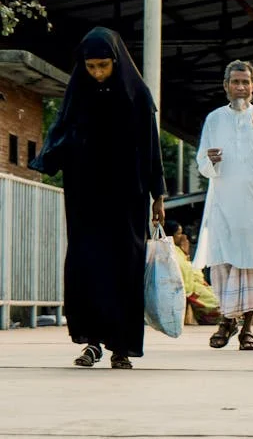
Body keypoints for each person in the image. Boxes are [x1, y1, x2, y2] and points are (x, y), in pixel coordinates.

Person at [29, 27, 166, 369]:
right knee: (87, 265)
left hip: (127, 198)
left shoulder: (136, 95)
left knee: (125, 267)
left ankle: (122, 347)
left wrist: (158, 195)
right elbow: (60, 131)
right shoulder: (79, 93)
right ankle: (92, 342)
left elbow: (151, 148)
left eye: (103, 65)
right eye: (91, 67)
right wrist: (48, 160)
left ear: (116, 61)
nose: (97, 73)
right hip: (85, 196)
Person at [193, 60, 253, 351]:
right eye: (235, 82)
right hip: (222, 206)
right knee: (224, 266)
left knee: (252, 267)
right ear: (226, 86)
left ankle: (247, 330)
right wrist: (211, 161)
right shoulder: (214, 119)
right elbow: (201, 163)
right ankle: (225, 322)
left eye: (246, 82)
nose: (241, 87)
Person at [164, 221, 221, 326]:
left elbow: (189, 270)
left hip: (191, 283)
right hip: (184, 286)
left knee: (215, 296)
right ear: (171, 236)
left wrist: (186, 254)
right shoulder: (169, 250)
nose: (182, 237)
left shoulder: (177, 250)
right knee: (213, 302)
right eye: (179, 234)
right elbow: (184, 271)